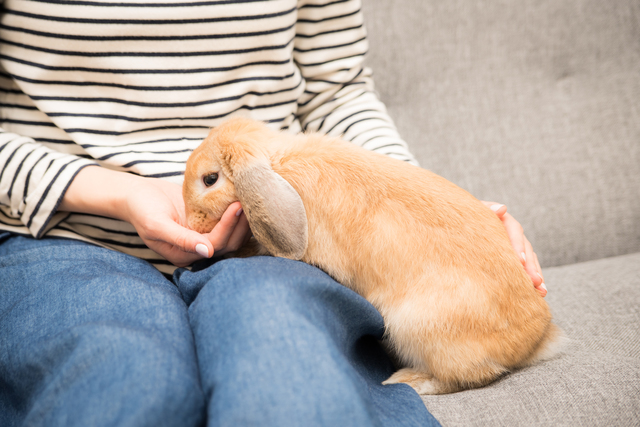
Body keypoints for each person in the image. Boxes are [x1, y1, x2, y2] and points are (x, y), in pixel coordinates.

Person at [0, 1, 546, 426]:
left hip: (275, 236)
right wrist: (111, 192)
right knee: (129, 383)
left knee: (279, 369)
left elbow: (337, 91)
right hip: (67, 235)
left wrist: (435, 215)